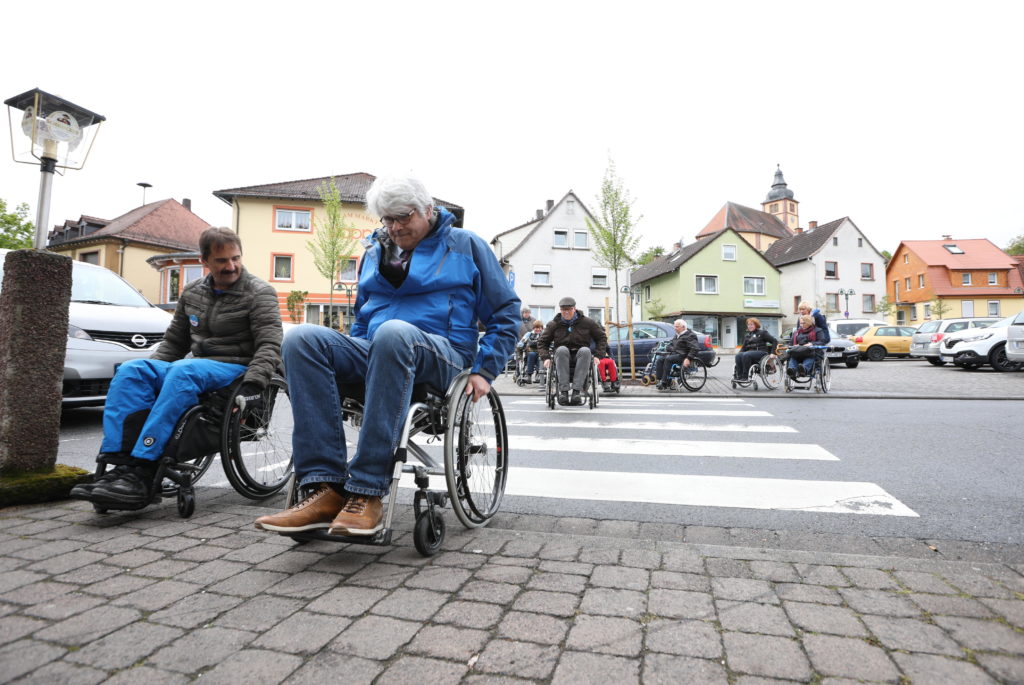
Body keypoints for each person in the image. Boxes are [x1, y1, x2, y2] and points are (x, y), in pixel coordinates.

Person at [254, 175, 520, 536]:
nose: (394, 228)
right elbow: (364, 315)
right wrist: (350, 357)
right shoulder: (376, 251)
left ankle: (367, 490)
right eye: (387, 219)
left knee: (394, 333)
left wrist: (485, 370)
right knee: (302, 339)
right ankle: (324, 489)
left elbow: (505, 311)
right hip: (381, 347)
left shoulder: (465, 246)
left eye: (403, 217)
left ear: (427, 210)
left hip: (443, 353)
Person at [70, 227, 283, 508]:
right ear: (204, 261)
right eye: (222, 261)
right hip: (200, 367)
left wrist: (255, 381)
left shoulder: (259, 293)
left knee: (183, 372)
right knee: (131, 371)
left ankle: (143, 468)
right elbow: (174, 342)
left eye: (236, 258)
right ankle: (119, 463)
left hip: (237, 367)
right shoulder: (193, 292)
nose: (231, 266)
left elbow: (270, 343)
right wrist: (151, 373)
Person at [538, 297, 607, 405]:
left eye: (568, 309)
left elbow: (601, 338)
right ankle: (564, 392)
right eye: (563, 310)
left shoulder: (587, 322)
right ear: (560, 310)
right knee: (561, 349)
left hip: (580, 355)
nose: (565, 312)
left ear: (574, 309)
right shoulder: (554, 324)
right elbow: (542, 342)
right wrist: (545, 357)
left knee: (585, 350)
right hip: (562, 356)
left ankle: (576, 392)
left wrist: (598, 355)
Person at [656, 320, 699, 390]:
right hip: (675, 354)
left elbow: (695, 348)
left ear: (683, 327)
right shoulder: (677, 335)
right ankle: (659, 380)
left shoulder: (690, 335)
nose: (675, 328)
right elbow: (670, 345)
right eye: (674, 326)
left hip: (684, 355)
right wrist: (670, 348)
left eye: (677, 327)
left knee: (668, 359)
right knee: (660, 359)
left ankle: (664, 381)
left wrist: (688, 358)